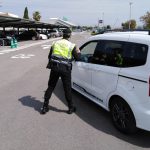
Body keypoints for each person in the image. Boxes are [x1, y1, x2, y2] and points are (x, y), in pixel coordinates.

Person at [41, 28, 81, 115]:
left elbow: (49, 56)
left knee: (51, 86)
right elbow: (78, 58)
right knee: (67, 88)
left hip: (54, 68)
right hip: (65, 69)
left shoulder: (55, 43)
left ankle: (45, 106)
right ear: (70, 35)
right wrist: (78, 51)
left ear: (63, 34)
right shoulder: (72, 45)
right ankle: (70, 108)